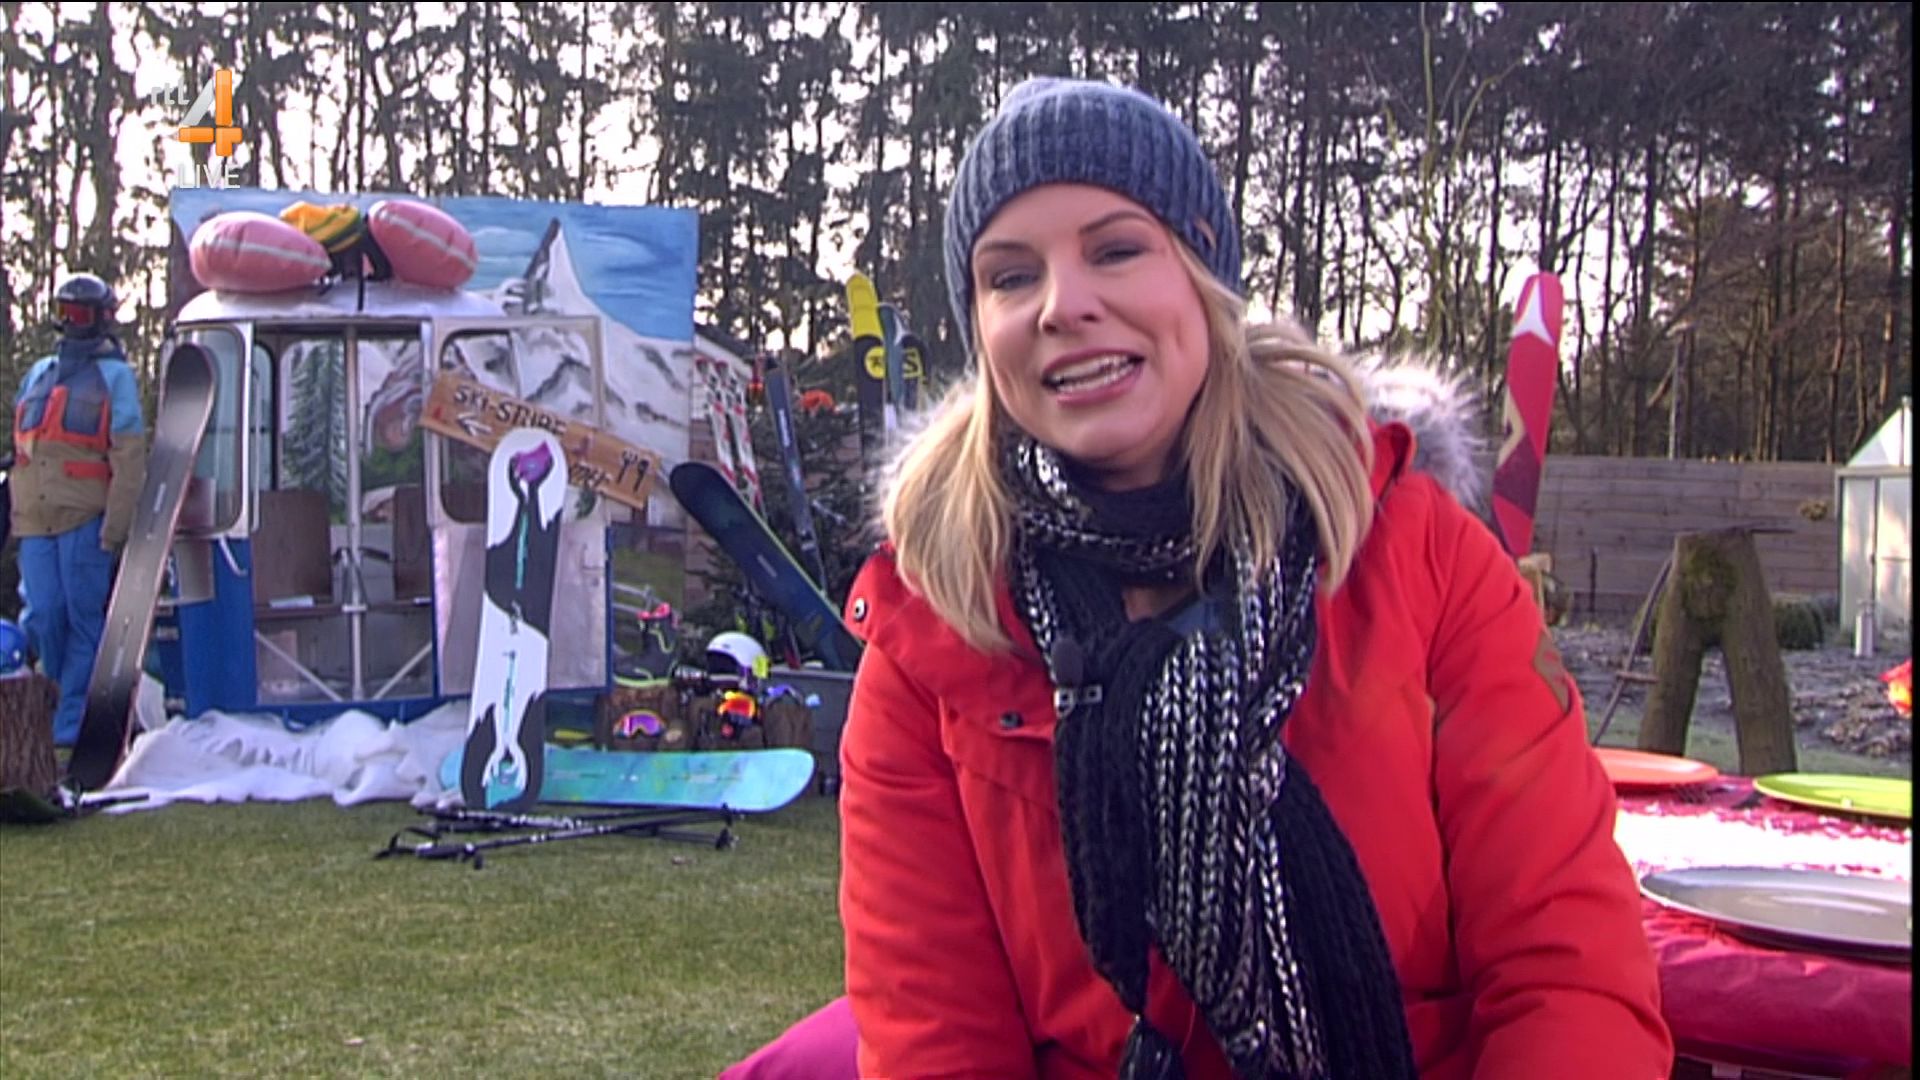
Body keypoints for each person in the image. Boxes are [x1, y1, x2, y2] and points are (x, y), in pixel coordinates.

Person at [801, 77, 1673, 1080]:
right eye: (1010, 276)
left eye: (1116, 250)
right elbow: (935, 1038)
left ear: (1205, 276)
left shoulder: (1422, 560)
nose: (1063, 304)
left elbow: (1569, 971)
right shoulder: (933, 632)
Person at [10, 272, 147, 747]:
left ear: (102, 318)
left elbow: (129, 458)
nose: (73, 323)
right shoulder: (39, 373)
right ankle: (50, 703)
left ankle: (68, 726)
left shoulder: (116, 377)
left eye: (81, 314)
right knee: (44, 615)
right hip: (34, 520)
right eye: (66, 313)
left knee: (82, 620)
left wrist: (116, 528)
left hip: (85, 520)